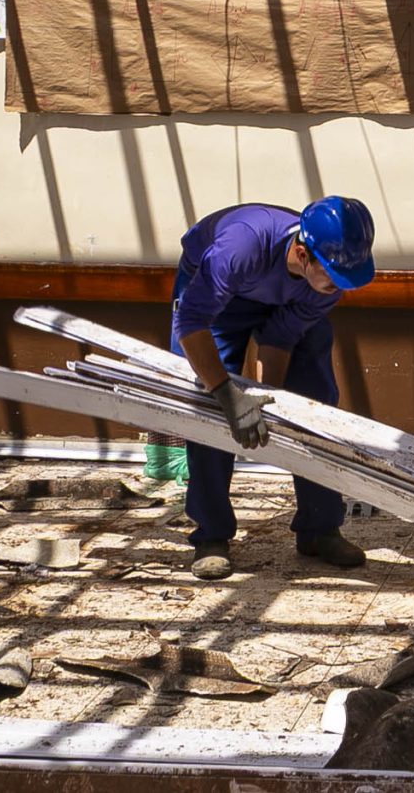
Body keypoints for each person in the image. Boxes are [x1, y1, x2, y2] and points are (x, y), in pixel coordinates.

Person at [169, 195, 377, 577]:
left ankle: (319, 528)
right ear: (302, 254)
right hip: (219, 300)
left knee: (315, 403)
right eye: (333, 276)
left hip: (287, 296)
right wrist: (228, 395)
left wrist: (269, 403)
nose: (339, 286)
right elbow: (191, 321)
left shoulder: (326, 283)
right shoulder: (241, 246)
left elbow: (281, 336)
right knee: (209, 409)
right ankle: (211, 535)